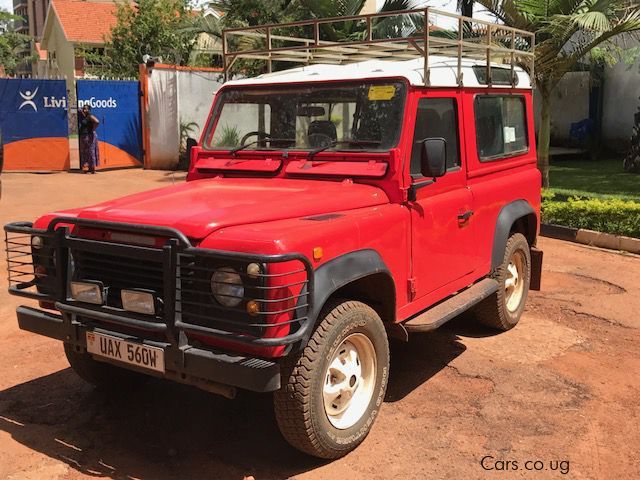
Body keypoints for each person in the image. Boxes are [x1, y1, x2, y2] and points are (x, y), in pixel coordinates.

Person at [78, 105, 100, 173]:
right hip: (83, 136)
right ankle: (86, 168)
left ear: (89, 110)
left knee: (90, 152)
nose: (84, 110)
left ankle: (92, 168)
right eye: (84, 109)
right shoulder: (83, 117)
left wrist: (92, 129)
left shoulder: (90, 116)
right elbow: (79, 110)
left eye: (86, 109)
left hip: (89, 136)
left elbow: (97, 122)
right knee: (84, 152)